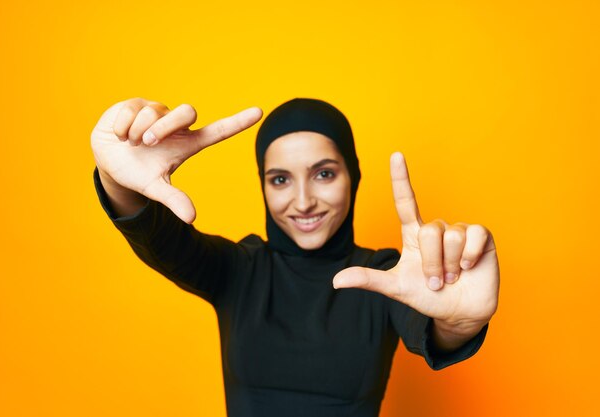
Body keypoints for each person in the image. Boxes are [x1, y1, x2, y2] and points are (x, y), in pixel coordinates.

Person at [90, 97, 499, 417]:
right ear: (263, 188)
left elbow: (430, 326)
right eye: (281, 179)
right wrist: (119, 180)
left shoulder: (385, 276)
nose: (303, 202)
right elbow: (159, 238)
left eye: (324, 173)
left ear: (352, 177)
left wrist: (458, 323)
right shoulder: (240, 270)